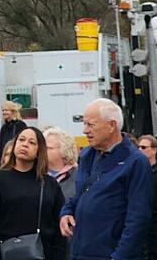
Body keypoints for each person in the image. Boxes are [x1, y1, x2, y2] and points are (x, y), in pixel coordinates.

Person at [59, 98, 152, 260]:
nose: (84, 130)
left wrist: (120, 256)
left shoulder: (135, 162)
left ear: (111, 125)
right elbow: (80, 194)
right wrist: (66, 212)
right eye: (84, 124)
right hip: (81, 251)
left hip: (109, 253)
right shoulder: (87, 155)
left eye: (90, 125)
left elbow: (138, 216)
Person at [0, 126, 66, 260]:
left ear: (39, 151)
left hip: (43, 253)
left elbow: (58, 228)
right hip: (5, 253)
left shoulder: (49, 184)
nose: (25, 144)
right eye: (21, 140)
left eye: (32, 142)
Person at [43, 126, 78, 201]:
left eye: (48, 148)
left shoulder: (79, 176)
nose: (42, 151)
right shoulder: (37, 174)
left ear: (64, 150)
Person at [0, 101, 26, 168]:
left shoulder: (20, 125)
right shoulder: (4, 127)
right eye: (3, 110)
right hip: (5, 158)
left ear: (12, 111)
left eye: (6, 110)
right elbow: (1, 146)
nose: (4, 112)